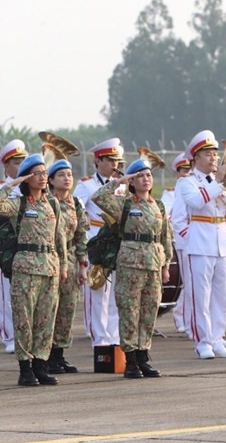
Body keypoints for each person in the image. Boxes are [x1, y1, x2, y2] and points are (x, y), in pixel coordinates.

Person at [93, 159, 173, 379]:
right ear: (132, 181)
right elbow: (98, 198)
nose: (146, 179)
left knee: (149, 312)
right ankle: (130, 360)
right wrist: (118, 181)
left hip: (154, 264)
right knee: (130, 311)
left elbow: (166, 237)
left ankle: (143, 356)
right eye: (140, 176)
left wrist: (166, 265)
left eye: (148, 175)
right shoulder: (125, 204)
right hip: (130, 264)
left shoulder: (160, 206)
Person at [177, 130, 226, 359]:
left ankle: (217, 339)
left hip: (221, 241)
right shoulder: (186, 182)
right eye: (208, 154)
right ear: (196, 158)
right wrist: (218, 183)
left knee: (220, 295)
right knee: (200, 296)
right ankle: (203, 341)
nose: (214, 159)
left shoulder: (222, 181)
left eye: (215, 154)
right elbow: (195, 203)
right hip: (200, 243)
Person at [0, 154, 67, 386]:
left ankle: (41, 364)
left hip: (50, 266)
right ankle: (25, 368)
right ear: (27, 178)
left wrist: (64, 265)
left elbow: (60, 239)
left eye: (44, 173)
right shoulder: (19, 203)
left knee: (46, 320)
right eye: (36, 173)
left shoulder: (53, 204)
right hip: (25, 267)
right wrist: (11, 184)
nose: (42, 177)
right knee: (24, 319)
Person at [74, 138, 125, 349]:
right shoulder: (86, 185)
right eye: (110, 160)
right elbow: (77, 211)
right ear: (98, 160)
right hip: (95, 241)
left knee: (115, 294)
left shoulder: (122, 185)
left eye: (117, 160)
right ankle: (100, 339)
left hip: (116, 243)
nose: (115, 165)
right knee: (97, 292)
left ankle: (113, 337)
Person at [47, 159, 89, 374]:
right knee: (48, 310)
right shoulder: (44, 202)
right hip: (50, 260)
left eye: (69, 174)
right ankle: (44, 356)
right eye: (61, 175)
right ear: (51, 180)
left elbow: (81, 235)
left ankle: (59, 355)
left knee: (67, 309)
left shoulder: (76, 204)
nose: (67, 178)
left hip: (71, 261)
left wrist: (82, 265)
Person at [1, 139, 28, 354]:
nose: (21, 166)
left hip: (28, 248)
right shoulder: (4, 189)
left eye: (23, 161)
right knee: (7, 296)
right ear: (6, 165)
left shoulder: (28, 189)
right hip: (7, 248)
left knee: (25, 296)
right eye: (17, 162)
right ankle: (9, 337)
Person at [164, 152, 192, 336]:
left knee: (193, 285)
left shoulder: (194, 186)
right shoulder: (170, 193)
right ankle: (181, 318)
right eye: (184, 170)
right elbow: (168, 216)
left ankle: (189, 320)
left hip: (197, 241)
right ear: (177, 172)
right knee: (185, 284)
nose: (187, 173)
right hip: (182, 241)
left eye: (190, 170)